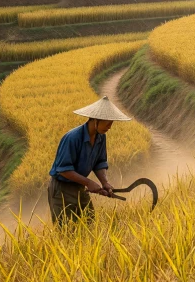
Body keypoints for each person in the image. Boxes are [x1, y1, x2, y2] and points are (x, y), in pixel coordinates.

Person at [47, 96, 132, 225]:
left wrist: (105, 182)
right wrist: (89, 182)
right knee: (66, 229)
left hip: (80, 186)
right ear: (95, 120)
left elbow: (99, 162)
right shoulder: (72, 138)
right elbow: (64, 169)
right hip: (61, 188)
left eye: (112, 122)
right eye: (107, 122)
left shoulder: (101, 137)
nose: (110, 126)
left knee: (89, 223)